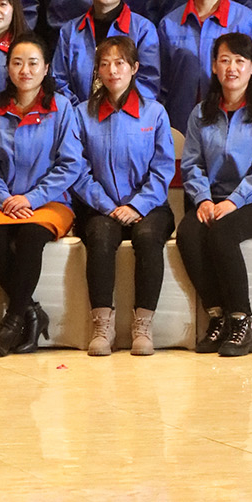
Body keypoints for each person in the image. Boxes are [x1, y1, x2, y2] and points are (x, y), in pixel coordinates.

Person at [168, 33, 252, 357]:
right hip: (213, 200)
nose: (232, 68)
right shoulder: (200, 113)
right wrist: (204, 199)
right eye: (225, 60)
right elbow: (192, 164)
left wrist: (234, 200)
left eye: (239, 61)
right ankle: (218, 316)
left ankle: (242, 321)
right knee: (189, 234)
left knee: (222, 233)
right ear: (214, 66)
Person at [0, 36, 79, 357]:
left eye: (32, 63)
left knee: (30, 235)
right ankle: (31, 312)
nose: (25, 70)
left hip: (50, 200)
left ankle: (14, 319)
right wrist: (4, 198)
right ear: (8, 68)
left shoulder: (61, 108)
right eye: (17, 63)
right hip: (4, 201)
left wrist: (32, 198)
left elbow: (70, 164)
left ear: (46, 68)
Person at [66, 33, 177, 356]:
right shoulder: (81, 114)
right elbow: (77, 169)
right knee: (100, 237)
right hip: (100, 207)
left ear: (134, 68)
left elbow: (162, 169)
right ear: (97, 70)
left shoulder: (154, 113)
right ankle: (102, 325)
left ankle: (143, 325)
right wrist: (107, 206)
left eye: (120, 63)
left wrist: (137, 205)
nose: (112, 70)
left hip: (149, 206)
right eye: (105, 64)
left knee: (148, 237)